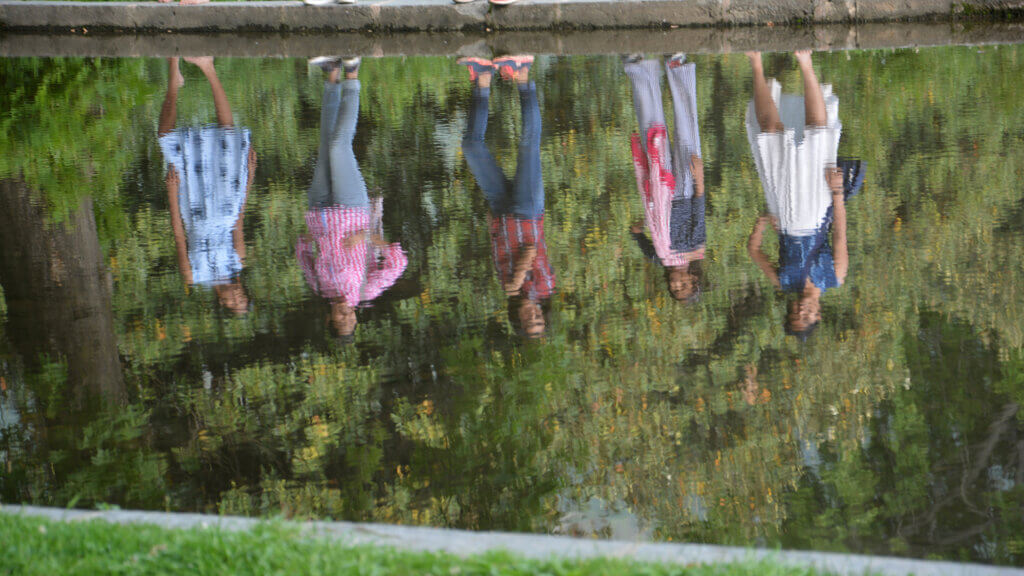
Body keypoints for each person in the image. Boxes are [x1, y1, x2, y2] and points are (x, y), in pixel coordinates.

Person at [297, 57, 408, 339]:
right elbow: (398, 261)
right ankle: (352, 73)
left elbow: (302, 254)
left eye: (341, 319)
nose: (347, 314)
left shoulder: (319, 288)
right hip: (351, 209)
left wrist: (307, 238)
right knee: (338, 146)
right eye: (351, 319)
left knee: (325, 143)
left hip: (319, 208)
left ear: (329, 318)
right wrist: (368, 238)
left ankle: (332, 74)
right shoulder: (364, 290)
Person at [744, 51, 849, 340]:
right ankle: (805, 62)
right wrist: (838, 193)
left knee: (769, 134)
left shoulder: (783, 281)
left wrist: (765, 219)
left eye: (794, 314)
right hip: (817, 209)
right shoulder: (835, 277)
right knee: (818, 135)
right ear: (818, 314)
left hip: (785, 213)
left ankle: (755, 61)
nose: (800, 311)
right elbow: (839, 234)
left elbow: (753, 250)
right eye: (806, 317)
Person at [459, 55, 554, 339]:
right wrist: (516, 281)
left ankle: (483, 78)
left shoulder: (506, 286)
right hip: (527, 211)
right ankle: (523, 73)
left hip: (501, 212)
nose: (533, 315)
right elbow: (530, 251)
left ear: (518, 320)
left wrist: (492, 225)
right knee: (528, 144)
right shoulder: (545, 287)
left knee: (471, 147)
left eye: (529, 322)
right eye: (539, 318)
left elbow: (501, 251)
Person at [159, 57, 255, 316]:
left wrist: (171, 193)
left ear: (222, 303)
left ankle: (174, 78)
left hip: (193, 203)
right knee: (228, 137)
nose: (238, 295)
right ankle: (208, 67)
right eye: (242, 297)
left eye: (235, 302)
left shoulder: (193, 275)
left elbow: (179, 235)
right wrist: (249, 174)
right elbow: (240, 219)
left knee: (166, 139)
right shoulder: (239, 261)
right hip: (227, 201)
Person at [624, 53, 706, 303]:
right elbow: (698, 215)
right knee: (686, 134)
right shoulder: (695, 252)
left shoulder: (658, 257)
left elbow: (637, 234)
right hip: (685, 191)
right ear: (694, 279)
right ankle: (676, 67)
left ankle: (640, 67)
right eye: (684, 286)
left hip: (660, 192)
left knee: (651, 130)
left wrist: (639, 230)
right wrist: (700, 179)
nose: (677, 284)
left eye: (675, 289)